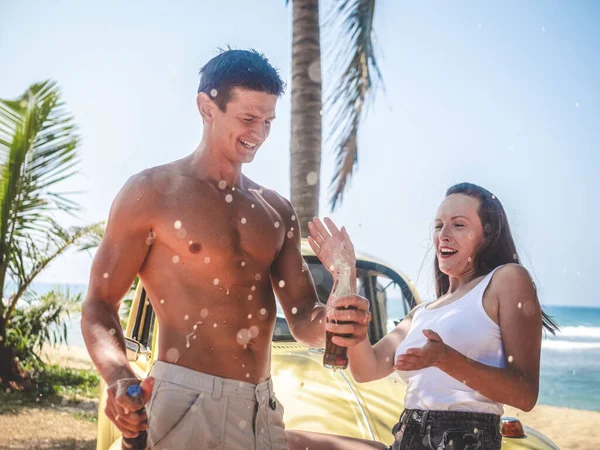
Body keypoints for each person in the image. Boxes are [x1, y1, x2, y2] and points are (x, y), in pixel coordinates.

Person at [80, 48, 371, 450]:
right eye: (248, 119)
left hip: (261, 408)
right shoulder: (153, 193)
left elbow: (305, 318)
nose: (259, 134)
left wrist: (338, 316)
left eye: (268, 121)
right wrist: (119, 376)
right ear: (206, 107)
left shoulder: (276, 211)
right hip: (186, 402)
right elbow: (98, 303)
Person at [291, 182, 558, 450]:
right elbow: (366, 369)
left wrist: (446, 359)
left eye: (459, 224)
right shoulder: (422, 312)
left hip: (465, 441)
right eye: (439, 225)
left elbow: (524, 394)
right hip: (405, 438)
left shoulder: (506, 280)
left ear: (486, 234)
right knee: (285, 441)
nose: (444, 234)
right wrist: (346, 273)